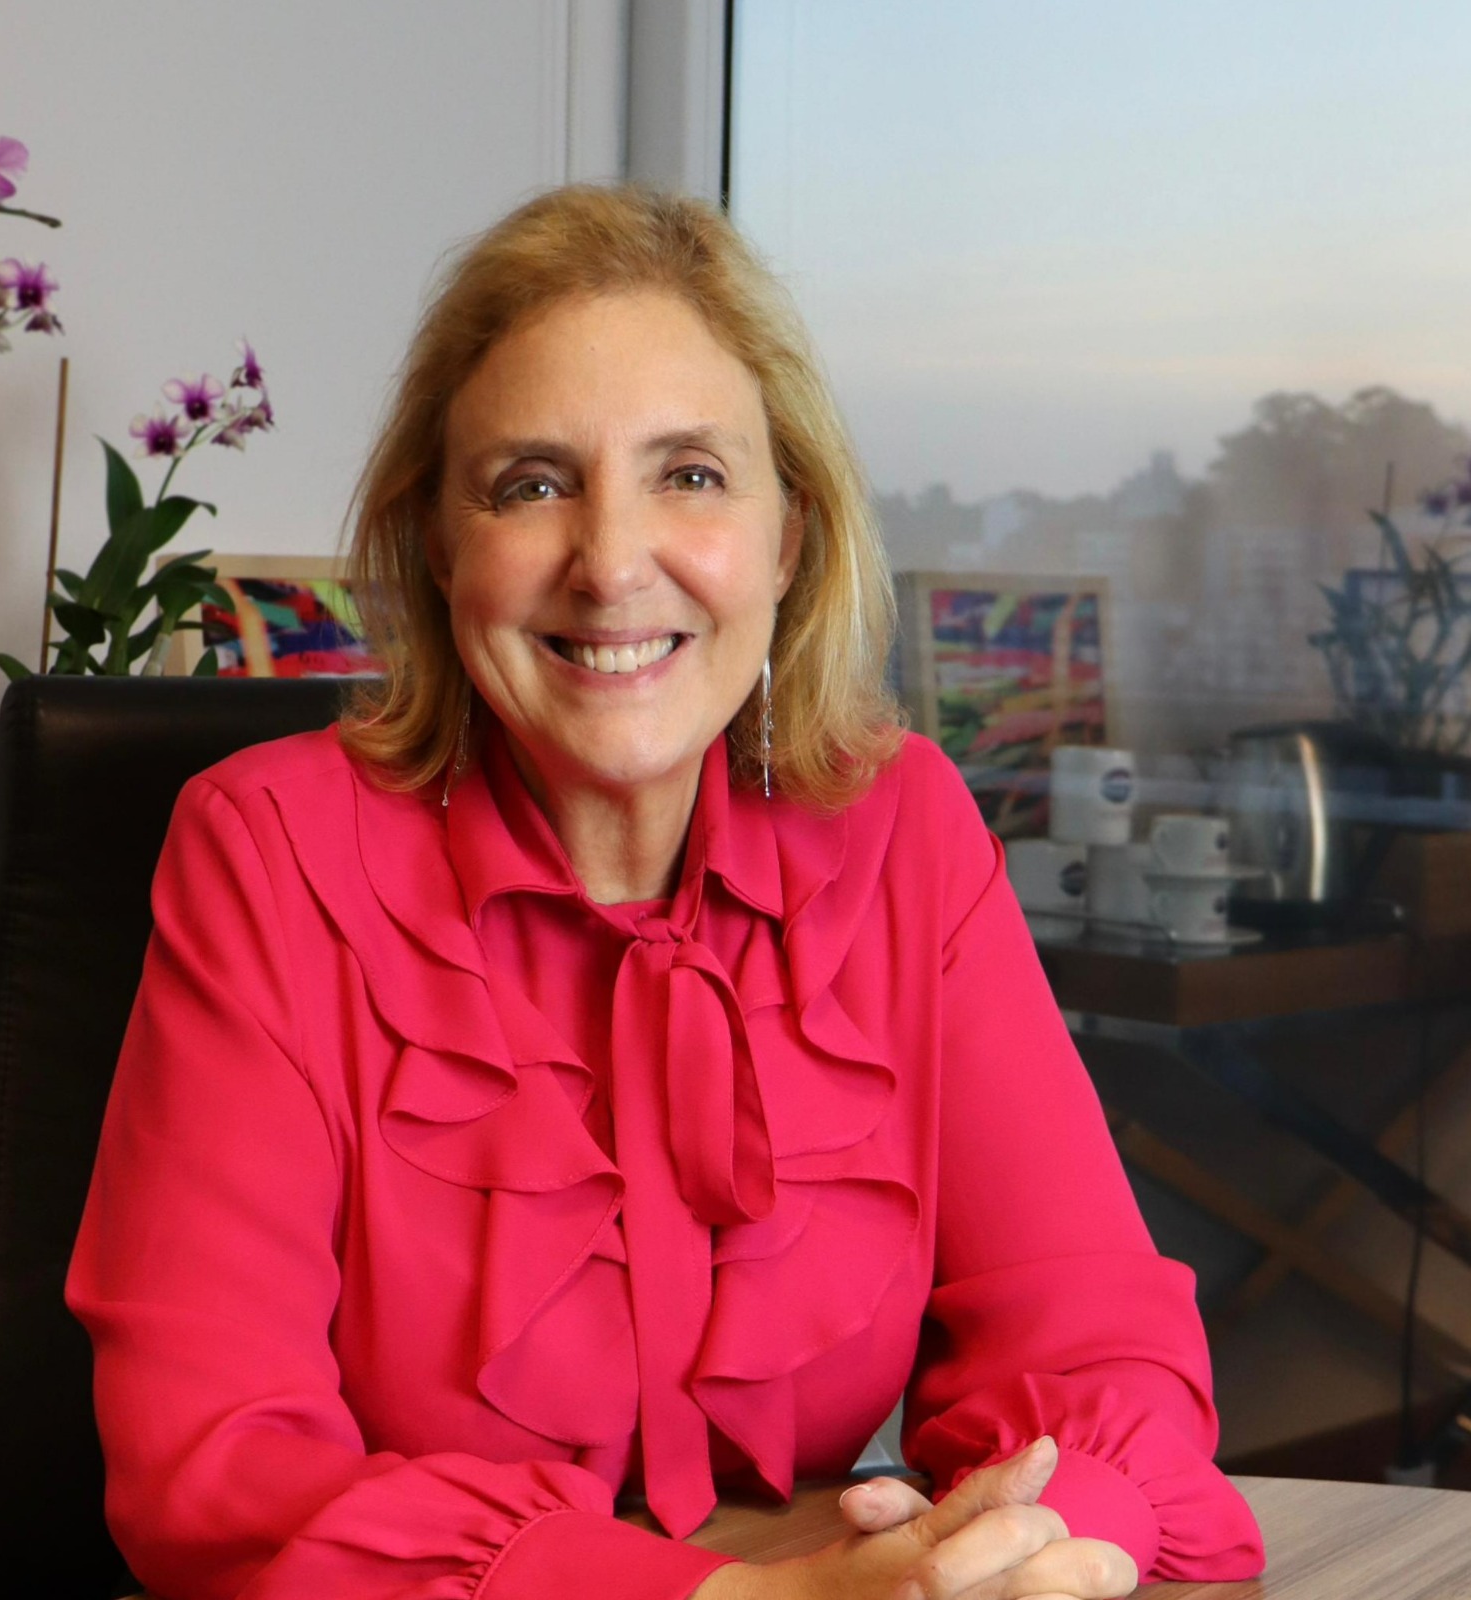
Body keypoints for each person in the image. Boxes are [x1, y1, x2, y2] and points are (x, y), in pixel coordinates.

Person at [67, 185, 1264, 1600]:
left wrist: (1039, 1547)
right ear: (439, 545)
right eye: (532, 485)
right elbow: (215, 1464)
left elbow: (1094, 1340)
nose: (613, 563)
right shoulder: (268, 853)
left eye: (689, 474)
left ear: (791, 536)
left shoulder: (906, 828)